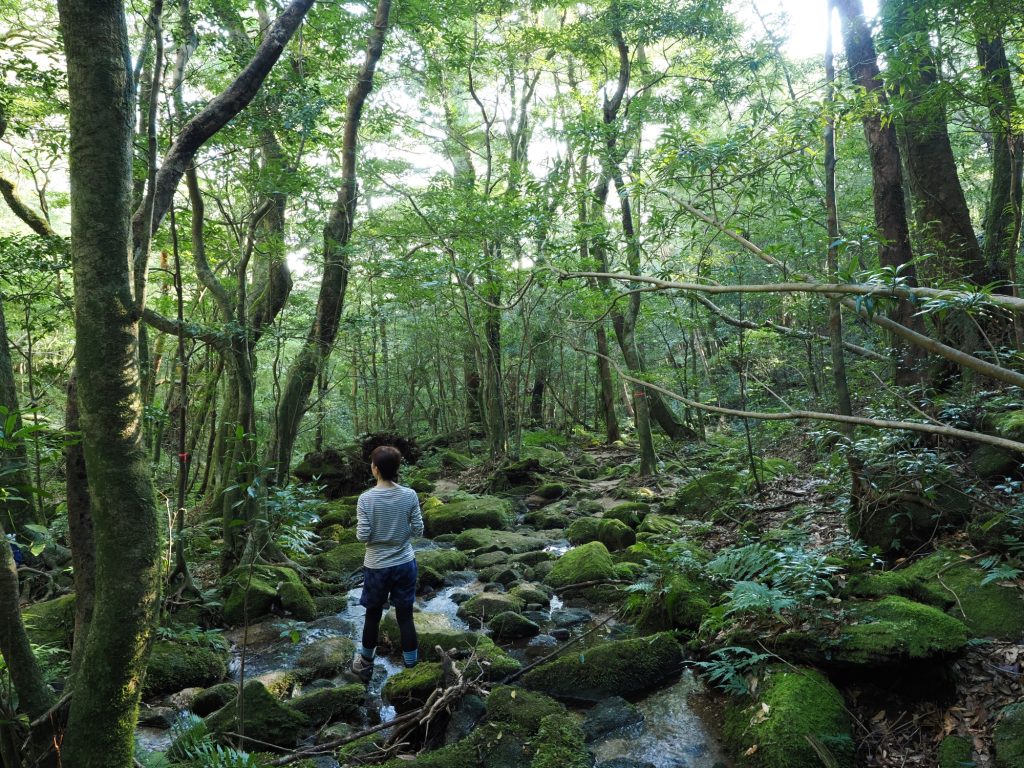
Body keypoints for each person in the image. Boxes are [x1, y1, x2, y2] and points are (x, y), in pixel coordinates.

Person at [352, 444, 423, 682]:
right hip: (405, 563)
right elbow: (419, 530)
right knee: (405, 616)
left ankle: (364, 663)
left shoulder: (366, 499)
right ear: (397, 468)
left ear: (375, 468)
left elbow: (362, 536)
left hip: (376, 565)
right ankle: (412, 668)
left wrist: (379, 534)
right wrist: (398, 534)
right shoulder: (410, 495)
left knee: (373, 615)